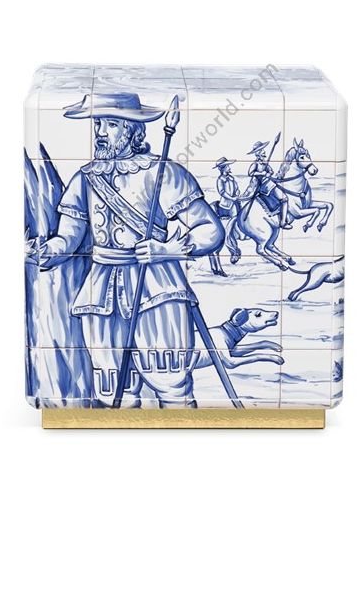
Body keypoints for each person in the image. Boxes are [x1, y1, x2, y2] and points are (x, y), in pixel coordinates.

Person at [27, 93, 224, 407]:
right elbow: (68, 237)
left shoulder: (163, 173)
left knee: (171, 383)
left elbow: (210, 230)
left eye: (112, 124)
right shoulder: (85, 179)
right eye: (98, 124)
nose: (101, 132)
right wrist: (46, 251)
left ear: (133, 130)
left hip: (156, 288)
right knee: (113, 391)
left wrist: (166, 250)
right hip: (99, 293)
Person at [247, 140, 291, 229]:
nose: (264, 152)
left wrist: (268, 173)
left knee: (284, 199)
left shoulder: (264, 163)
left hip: (269, 183)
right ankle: (283, 223)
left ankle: (283, 219)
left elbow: (271, 171)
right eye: (262, 151)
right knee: (283, 199)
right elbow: (250, 173)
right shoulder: (255, 164)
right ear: (258, 154)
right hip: (263, 186)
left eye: (263, 150)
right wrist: (261, 173)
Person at [208, 157, 241, 275]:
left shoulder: (231, 178)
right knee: (228, 227)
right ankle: (232, 247)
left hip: (234, 203)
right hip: (225, 205)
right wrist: (231, 198)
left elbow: (236, 188)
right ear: (222, 168)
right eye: (227, 166)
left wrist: (237, 194)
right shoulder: (220, 179)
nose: (229, 167)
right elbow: (222, 192)